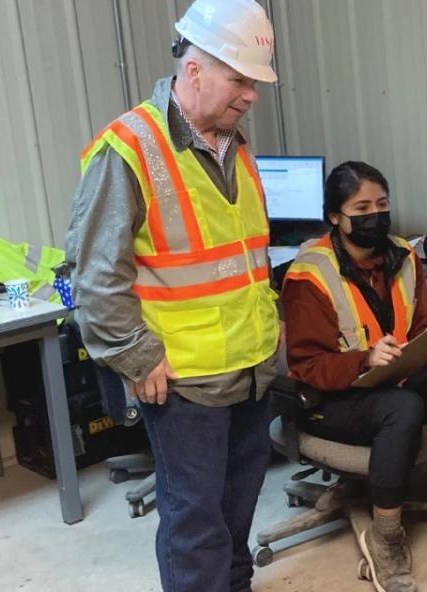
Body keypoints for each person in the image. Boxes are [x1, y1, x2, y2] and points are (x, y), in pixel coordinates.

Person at [65, 1, 282, 590]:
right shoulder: (128, 149)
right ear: (195, 70)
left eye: (255, 83)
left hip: (253, 367)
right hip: (184, 379)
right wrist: (137, 356)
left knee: (237, 514)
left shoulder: (235, 145)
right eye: (240, 79)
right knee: (195, 523)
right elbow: (93, 276)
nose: (251, 96)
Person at [282, 161, 427, 592]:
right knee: (404, 406)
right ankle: (386, 534)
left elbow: (419, 330)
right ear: (335, 217)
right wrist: (363, 360)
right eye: (361, 207)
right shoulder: (310, 275)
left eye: (382, 204)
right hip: (329, 399)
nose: (374, 215)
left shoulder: (405, 256)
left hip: (393, 379)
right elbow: (305, 366)